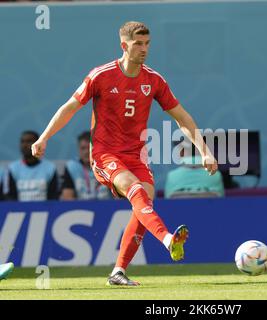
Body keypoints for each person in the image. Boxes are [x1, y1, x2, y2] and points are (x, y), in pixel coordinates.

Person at [31, 21, 218, 286]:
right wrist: (44, 137)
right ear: (124, 46)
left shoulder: (153, 80)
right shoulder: (101, 75)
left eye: (147, 43)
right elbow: (70, 107)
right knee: (136, 190)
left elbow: (182, 117)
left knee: (144, 205)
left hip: (137, 155)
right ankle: (167, 239)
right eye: (138, 44)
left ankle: (117, 272)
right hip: (105, 154)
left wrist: (204, 150)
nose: (144, 49)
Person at [4, 131, 58, 201]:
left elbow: (54, 197)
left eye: (29, 141)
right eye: (22, 142)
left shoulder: (50, 168)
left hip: (44, 210)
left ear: (38, 143)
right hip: (19, 211)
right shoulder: (13, 168)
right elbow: (9, 197)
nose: (25, 145)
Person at [60, 131, 111, 200]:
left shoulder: (109, 165)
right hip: (81, 209)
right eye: (83, 148)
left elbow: (119, 197)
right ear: (78, 149)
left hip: (108, 208)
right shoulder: (71, 167)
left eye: (89, 148)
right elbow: (67, 197)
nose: (86, 152)